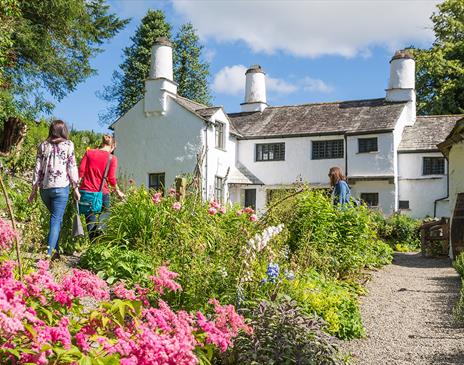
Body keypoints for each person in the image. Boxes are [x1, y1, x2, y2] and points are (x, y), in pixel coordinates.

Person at [28, 120, 80, 258]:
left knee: (56, 218)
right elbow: (72, 166)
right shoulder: (69, 145)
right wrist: (75, 188)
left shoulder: (43, 145)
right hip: (61, 187)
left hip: (45, 189)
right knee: (56, 219)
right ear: (63, 130)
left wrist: (33, 190)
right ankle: (49, 253)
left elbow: (37, 169)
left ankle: (55, 253)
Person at [78, 135, 124, 240]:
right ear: (112, 146)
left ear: (102, 143)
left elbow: (81, 170)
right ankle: (101, 238)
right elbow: (111, 178)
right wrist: (118, 191)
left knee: (90, 219)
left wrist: (76, 187)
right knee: (106, 216)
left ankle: (93, 247)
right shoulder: (112, 158)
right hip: (103, 193)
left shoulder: (89, 153)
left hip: (87, 191)